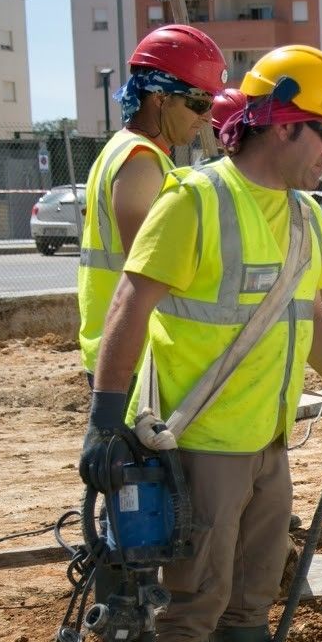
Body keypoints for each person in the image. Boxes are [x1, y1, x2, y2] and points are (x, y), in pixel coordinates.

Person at [77, 45, 322, 642]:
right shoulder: (195, 200)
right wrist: (103, 419)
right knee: (189, 604)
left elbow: (305, 313)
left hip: (269, 442)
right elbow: (128, 307)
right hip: (201, 444)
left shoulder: (305, 215)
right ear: (282, 123)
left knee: (254, 596)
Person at [77, 24, 227, 384]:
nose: (207, 117)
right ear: (160, 98)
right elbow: (153, 271)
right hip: (132, 356)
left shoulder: (129, 151)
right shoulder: (141, 164)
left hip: (123, 349)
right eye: (199, 103)